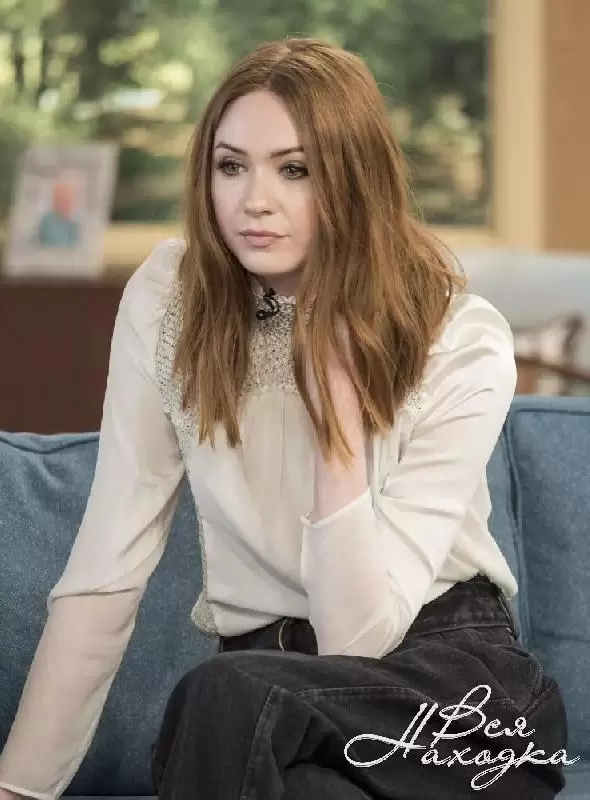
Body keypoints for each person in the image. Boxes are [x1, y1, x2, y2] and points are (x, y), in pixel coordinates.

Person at [0, 37, 568, 800]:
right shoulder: (170, 302)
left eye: (294, 170)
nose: (254, 201)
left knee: (223, 696)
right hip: (268, 706)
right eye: (231, 166)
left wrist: (336, 407)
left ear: (354, 179)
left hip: (452, 709)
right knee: (257, 737)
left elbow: (358, 639)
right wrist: (18, 788)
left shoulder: (459, 340)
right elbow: (105, 574)